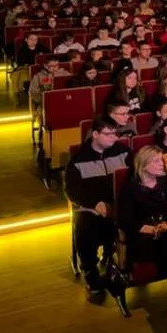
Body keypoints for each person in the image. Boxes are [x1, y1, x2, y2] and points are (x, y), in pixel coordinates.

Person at [65, 116, 132, 293]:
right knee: (86, 226)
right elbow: (72, 191)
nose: (114, 138)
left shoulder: (123, 152)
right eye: (108, 134)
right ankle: (91, 272)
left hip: (118, 204)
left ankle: (123, 266)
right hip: (93, 208)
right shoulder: (78, 160)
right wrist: (95, 204)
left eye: (115, 134)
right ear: (95, 134)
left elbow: (134, 177)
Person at [118, 146, 167, 289]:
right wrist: (152, 229)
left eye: (161, 160)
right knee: (162, 244)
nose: (161, 164)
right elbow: (126, 221)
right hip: (142, 235)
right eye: (156, 161)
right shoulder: (130, 188)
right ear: (143, 166)